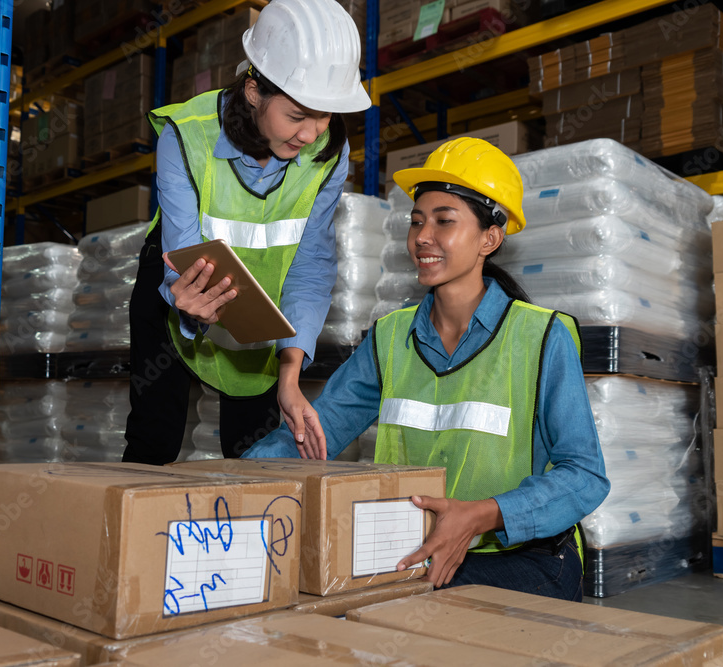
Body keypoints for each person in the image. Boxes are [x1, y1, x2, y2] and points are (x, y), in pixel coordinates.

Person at [241, 137, 610, 601]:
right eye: (417, 222)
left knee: (393, 606)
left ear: (489, 238)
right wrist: (233, 481)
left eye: (444, 221)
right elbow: (319, 433)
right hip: (413, 550)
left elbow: (585, 475)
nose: (422, 237)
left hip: (522, 559)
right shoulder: (391, 338)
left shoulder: (541, 336)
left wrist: (480, 514)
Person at [122, 0, 372, 464]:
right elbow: (184, 251)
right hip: (180, 283)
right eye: (297, 116)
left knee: (254, 453)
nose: (311, 134)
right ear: (254, 91)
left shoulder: (330, 155)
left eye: (325, 117)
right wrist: (192, 311)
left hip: (262, 301)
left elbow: (309, 265)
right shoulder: (187, 135)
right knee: (154, 438)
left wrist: (291, 375)